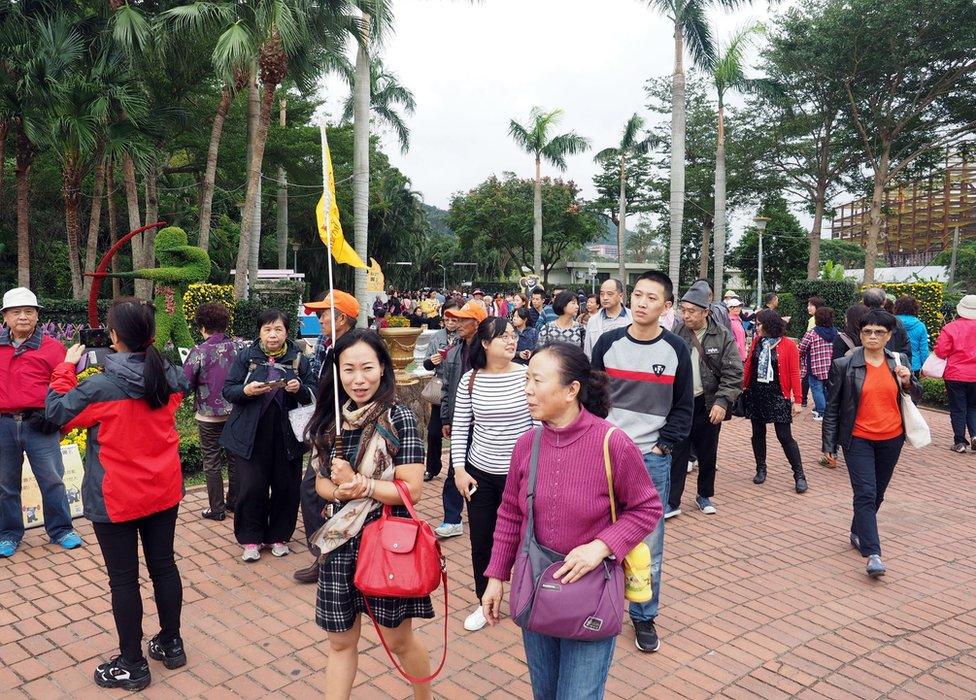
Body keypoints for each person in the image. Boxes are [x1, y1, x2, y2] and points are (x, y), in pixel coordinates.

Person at [482, 343, 661, 698]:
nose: (527, 389)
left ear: (571, 390)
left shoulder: (613, 443)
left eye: (537, 379)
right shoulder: (527, 444)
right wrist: (495, 576)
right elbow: (511, 513)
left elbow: (647, 508)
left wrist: (601, 546)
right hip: (536, 587)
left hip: (591, 593)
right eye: (527, 379)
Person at [46, 298, 187, 690]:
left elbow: (57, 412)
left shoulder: (99, 387)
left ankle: (132, 663)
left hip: (117, 498)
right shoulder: (169, 377)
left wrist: (65, 368)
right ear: (153, 336)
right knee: (164, 567)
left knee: (123, 581)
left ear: (113, 337)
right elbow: (176, 392)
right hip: (163, 491)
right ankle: (171, 643)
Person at [305, 329, 433, 700]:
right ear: (337, 373)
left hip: (386, 538)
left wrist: (361, 485)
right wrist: (340, 489)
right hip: (340, 539)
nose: (358, 380)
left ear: (382, 368)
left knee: (398, 639)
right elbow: (322, 485)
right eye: (348, 370)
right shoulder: (331, 421)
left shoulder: (400, 418)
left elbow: (412, 490)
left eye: (367, 368)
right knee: (341, 641)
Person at [590, 270, 693, 654]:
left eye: (652, 297)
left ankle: (645, 616)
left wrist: (664, 446)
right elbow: (591, 398)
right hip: (604, 455)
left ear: (666, 307)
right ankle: (600, 605)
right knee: (596, 530)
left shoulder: (676, 350)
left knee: (648, 543)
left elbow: (684, 407)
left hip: (650, 459)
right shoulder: (607, 342)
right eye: (637, 295)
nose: (641, 302)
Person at [822, 309, 920, 578]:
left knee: (877, 494)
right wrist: (829, 443)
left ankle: (857, 530)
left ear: (889, 336)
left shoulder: (898, 362)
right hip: (858, 439)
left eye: (879, 332)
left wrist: (908, 381)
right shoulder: (845, 364)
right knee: (865, 493)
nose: (873, 336)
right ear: (860, 334)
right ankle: (873, 553)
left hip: (891, 439)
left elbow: (917, 395)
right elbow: (832, 407)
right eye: (867, 331)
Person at [451, 317, 533, 632]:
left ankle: (527, 597)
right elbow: (460, 427)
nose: (512, 342)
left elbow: (539, 425)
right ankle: (483, 600)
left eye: (514, 336)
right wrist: (459, 468)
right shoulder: (470, 380)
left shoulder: (527, 376)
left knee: (527, 538)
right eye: (503, 337)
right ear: (485, 344)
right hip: (480, 474)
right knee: (482, 540)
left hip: (522, 475)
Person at [220, 309, 316, 562]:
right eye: (267, 329)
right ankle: (251, 538)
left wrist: (301, 389)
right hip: (251, 436)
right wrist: (247, 390)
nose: (273, 335)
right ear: (260, 332)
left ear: (287, 332)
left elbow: (314, 391)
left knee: (286, 488)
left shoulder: (299, 359)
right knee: (252, 487)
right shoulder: (247, 357)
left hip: (287, 437)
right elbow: (228, 390)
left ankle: (279, 536)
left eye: (278, 330)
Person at [0, 287, 81, 559]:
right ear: (6, 317)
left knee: (53, 479)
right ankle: (9, 533)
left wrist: (56, 419)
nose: (23, 317)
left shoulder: (53, 348)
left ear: (37, 316)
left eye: (29, 312)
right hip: (4, 425)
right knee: (5, 484)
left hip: (40, 426)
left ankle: (61, 529)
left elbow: (67, 386)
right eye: (16, 312)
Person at [294, 290, 359, 584]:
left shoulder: (352, 349)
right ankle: (325, 555)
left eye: (324, 314)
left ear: (342, 318)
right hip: (323, 426)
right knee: (315, 491)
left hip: (343, 430)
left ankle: (330, 556)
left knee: (318, 490)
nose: (319, 318)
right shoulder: (325, 344)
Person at [667, 285, 743, 519]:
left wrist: (722, 401)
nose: (686, 315)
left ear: (705, 311)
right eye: (683, 310)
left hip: (708, 402)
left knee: (708, 452)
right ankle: (672, 501)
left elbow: (734, 372)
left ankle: (704, 495)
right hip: (681, 403)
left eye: (691, 311)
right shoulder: (676, 331)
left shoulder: (721, 335)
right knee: (677, 453)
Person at [183, 302, 241, 521]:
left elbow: (185, 382)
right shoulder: (238, 348)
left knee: (212, 461)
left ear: (202, 326)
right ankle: (233, 502)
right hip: (235, 411)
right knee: (234, 459)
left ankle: (216, 509)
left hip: (208, 415)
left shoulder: (198, 352)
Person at [435, 300, 488, 538]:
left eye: (463, 319)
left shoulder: (489, 352)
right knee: (454, 471)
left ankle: (485, 516)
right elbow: (447, 388)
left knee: (483, 472)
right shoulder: (454, 351)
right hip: (460, 420)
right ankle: (452, 518)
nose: (457, 324)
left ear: (476, 323)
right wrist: (446, 418)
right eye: (455, 319)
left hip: (485, 423)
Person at [741, 310, 807, 493]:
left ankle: (799, 474)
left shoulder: (788, 345)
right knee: (758, 433)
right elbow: (749, 365)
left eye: (760, 324)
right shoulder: (757, 342)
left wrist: (798, 400)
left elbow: (795, 373)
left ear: (770, 324)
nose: (756, 327)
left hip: (779, 395)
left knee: (784, 436)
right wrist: (742, 387)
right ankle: (760, 468)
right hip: (757, 394)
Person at [420, 299, 461, 482]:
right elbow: (426, 363)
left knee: (460, 433)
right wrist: (432, 361)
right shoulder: (437, 337)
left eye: (455, 318)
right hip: (441, 389)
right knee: (434, 432)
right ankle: (432, 468)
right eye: (447, 318)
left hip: (461, 388)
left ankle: (457, 470)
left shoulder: (465, 336)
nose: (451, 322)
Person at [933, 295, 976, 453]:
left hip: (955, 374)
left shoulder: (951, 327)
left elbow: (941, 351)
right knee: (973, 407)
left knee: (958, 409)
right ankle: (975, 435)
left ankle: (959, 442)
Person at [798, 306, 837, 421]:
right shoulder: (836, 333)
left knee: (816, 389)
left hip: (815, 367)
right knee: (826, 389)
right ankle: (826, 409)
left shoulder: (812, 334)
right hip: (831, 367)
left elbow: (801, 348)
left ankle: (822, 411)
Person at [862, 288, 912, 364]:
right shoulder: (895, 321)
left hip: (863, 365)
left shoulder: (858, 319)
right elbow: (905, 347)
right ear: (884, 301)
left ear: (864, 301)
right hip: (892, 365)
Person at [583, 278, 630, 359]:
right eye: (602, 294)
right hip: (600, 369)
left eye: (609, 294)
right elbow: (588, 351)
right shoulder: (593, 320)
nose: (605, 298)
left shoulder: (632, 318)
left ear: (621, 295)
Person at [893, 295, 929, 376]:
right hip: (914, 364)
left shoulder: (891, 322)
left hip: (894, 362)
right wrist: (925, 367)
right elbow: (923, 349)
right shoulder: (920, 325)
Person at [801, 297, 826, 407]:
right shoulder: (827, 320)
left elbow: (808, 340)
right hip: (824, 358)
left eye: (811, 305)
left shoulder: (813, 320)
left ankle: (806, 401)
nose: (808, 308)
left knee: (811, 381)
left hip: (812, 356)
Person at [727, 296, 747, 361]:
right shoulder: (729, 321)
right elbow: (731, 340)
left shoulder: (738, 320)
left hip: (741, 355)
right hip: (735, 357)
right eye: (735, 307)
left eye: (739, 306)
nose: (738, 308)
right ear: (729, 308)